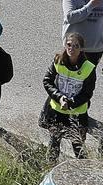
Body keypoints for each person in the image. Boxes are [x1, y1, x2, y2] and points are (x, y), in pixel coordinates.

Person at [39, 32, 96, 161]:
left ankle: (83, 172)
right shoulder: (58, 60)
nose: (71, 48)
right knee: (54, 143)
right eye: (69, 45)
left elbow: (87, 93)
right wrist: (59, 97)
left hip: (77, 113)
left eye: (76, 46)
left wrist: (71, 102)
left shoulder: (88, 68)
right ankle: (50, 168)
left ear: (81, 48)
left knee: (78, 146)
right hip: (57, 110)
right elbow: (47, 81)